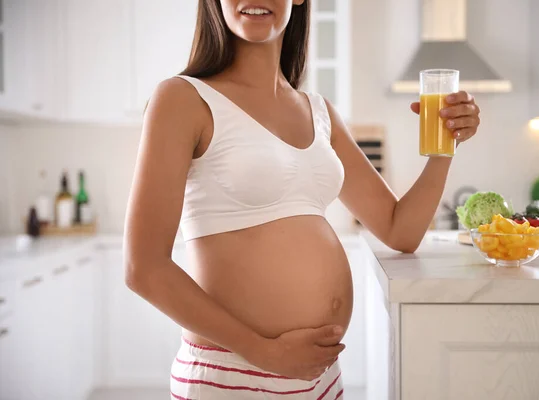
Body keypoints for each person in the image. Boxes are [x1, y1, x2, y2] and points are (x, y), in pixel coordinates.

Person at [123, 0, 481, 398]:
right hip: (236, 374)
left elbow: (401, 230)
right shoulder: (183, 99)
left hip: (320, 378)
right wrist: (264, 352)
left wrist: (445, 144)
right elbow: (144, 268)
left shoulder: (320, 111)